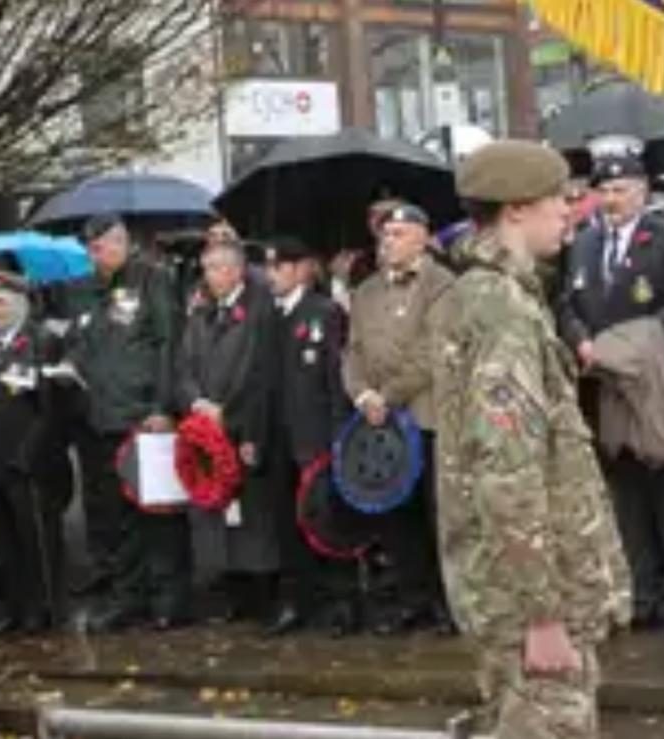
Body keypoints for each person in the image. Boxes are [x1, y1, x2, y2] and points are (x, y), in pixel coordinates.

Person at [429, 139, 630, 739]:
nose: (571, 210)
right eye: (558, 199)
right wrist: (542, 613)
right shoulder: (501, 309)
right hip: (531, 598)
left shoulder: (496, 295)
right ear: (515, 210)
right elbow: (507, 469)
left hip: (518, 585)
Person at [557, 154, 664, 640]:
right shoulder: (583, 243)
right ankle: (642, 591)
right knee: (627, 492)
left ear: (642, 192)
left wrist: (617, 349)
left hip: (653, 384)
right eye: (605, 190)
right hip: (603, 386)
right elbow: (567, 302)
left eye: (621, 189)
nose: (611, 199)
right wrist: (581, 341)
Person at [61, 213, 184, 633]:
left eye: (115, 241)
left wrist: (163, 405)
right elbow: (77, 340)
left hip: (142, 415)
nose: (108, 251)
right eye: (98, 246)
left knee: (157, 512)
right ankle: (128, 595)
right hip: (98, 417)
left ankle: (167, 599)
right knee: (114, 514)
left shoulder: (151, 279)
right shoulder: (81, 289)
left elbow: (168, 343)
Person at [343, 202, 456, 636]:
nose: (388, 242)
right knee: (396, 515)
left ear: (423, 238)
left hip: (427, 415)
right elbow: (353, 351)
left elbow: (432, 351)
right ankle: (413, 598)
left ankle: (448, 602)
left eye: (399, 233)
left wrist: (388, 395)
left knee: (436, 512)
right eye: (385, 234)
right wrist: (362, 394)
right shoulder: (366, 291)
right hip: (379, 420)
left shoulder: (441, 285)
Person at [177, 239, 279, 626]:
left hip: (241, 425)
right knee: (217, 513)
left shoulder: (257, 311)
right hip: (205, 426)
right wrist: (196, 403)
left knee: (252, 514)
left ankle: (261, 592)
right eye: (207, 268)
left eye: (218, 267)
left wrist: (228, 412)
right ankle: (230, 589)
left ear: (237, 270)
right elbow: (183, 365)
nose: (211, 276)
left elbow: (255, 371)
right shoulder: (201, 313)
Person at [262, 237, 360, 637]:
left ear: (302, 268)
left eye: (280, 266)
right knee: (287, 523)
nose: (272, 275)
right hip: (279, 435)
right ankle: (298, 599)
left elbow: (336, 381)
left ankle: (341, 603)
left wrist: (339, 436)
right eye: (269, 267)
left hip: (316, 436)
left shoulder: (324, 313)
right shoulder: (269, 315)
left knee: (327, 522)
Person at [0, 269, 60, 637]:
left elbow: (49, 408)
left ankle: (41, 608)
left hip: (22, 460)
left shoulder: (39, 341)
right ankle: (16, 607)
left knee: (31, 539)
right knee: (0, 541)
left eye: (1, 302)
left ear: (20, 305)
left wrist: (27, 454)